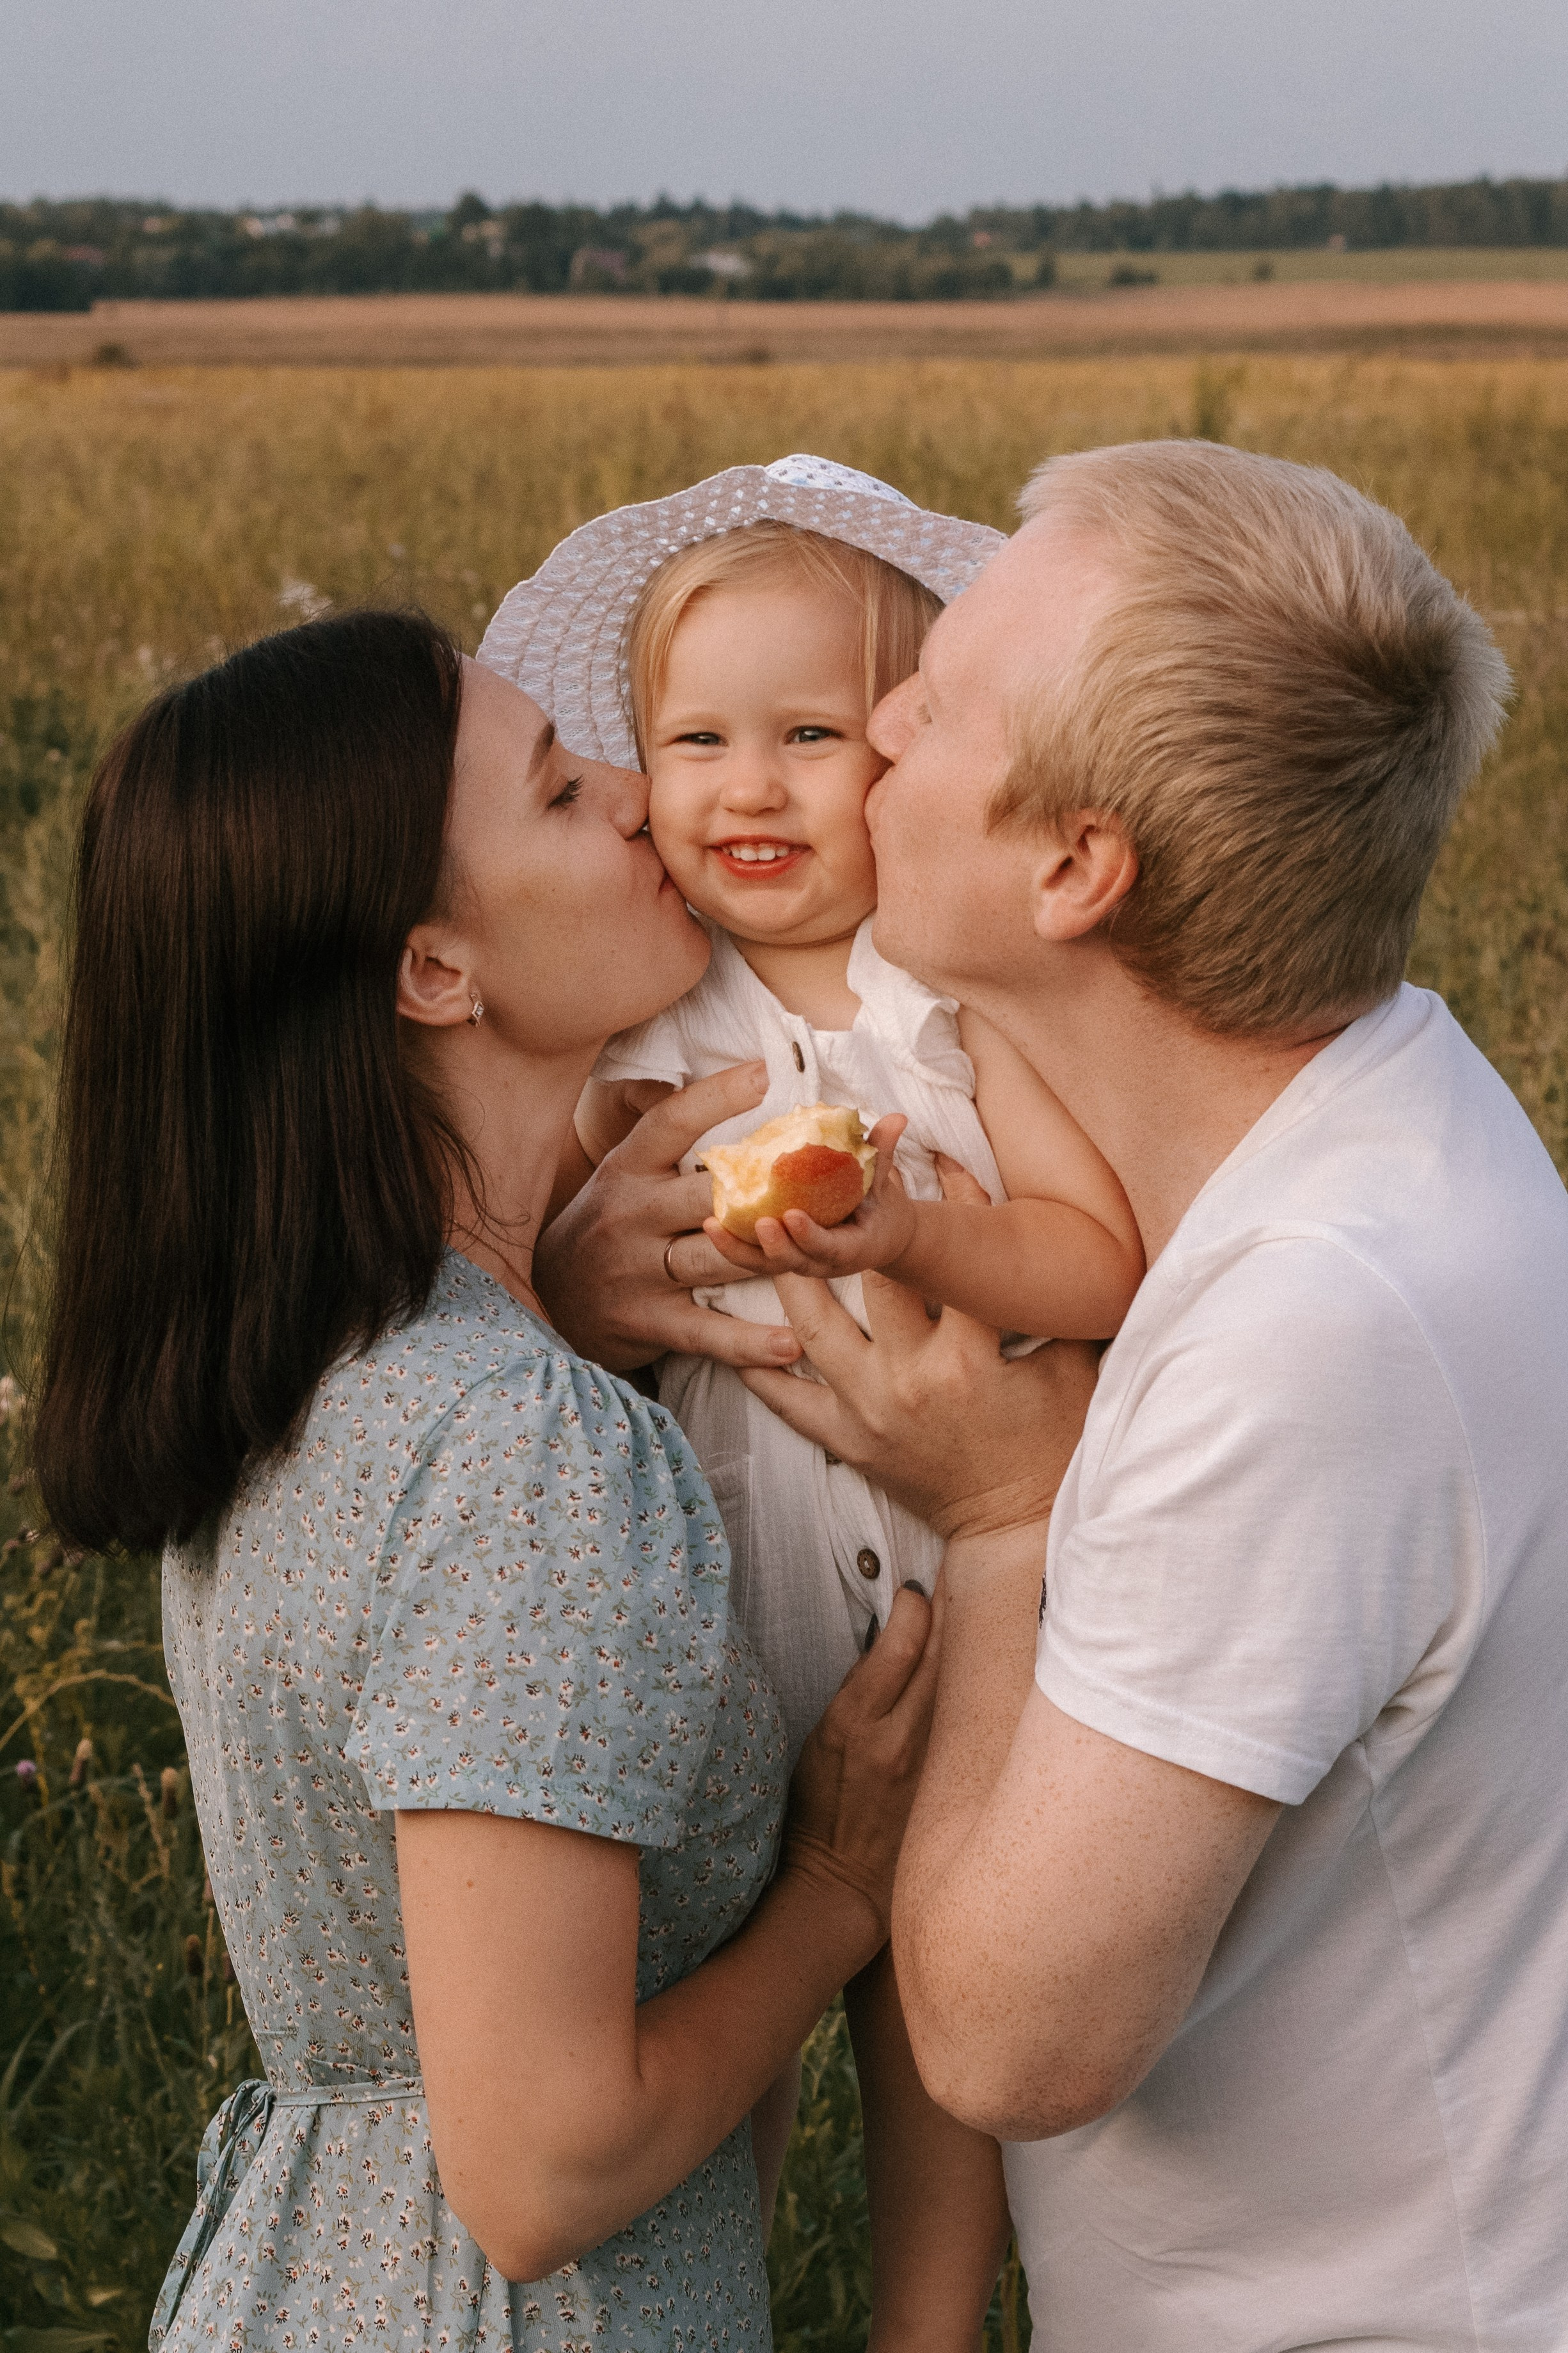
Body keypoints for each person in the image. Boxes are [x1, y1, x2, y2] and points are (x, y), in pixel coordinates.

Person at [542, 440, 1568, 2350]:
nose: (884, 723)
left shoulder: (1309, 1332)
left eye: (928, 704)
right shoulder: (1390, 1126)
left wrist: (1007, 1516)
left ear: (1073, 870)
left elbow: (1011, 2043)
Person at [27, 610, 944, 2353]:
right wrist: (839, 1887)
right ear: (435, 970)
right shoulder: (514, 1444)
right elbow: (542, 2166)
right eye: (553, 789)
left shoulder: (324, 1370)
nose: (632, 795)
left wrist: (574, 1323)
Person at [480, 454, 1142, 2348]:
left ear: (907, 760)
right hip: (717, 1617)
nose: (744, 786)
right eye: (690, 741)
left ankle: (925, 2326)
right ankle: (713, 2297)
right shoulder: (638, 1017)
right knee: (723, 1977)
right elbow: (540, 1251)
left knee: (934, 1990)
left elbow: (1090, 1258)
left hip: (951, 1598)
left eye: (807, 734)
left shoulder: (950, 1004)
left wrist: (921, 1225)